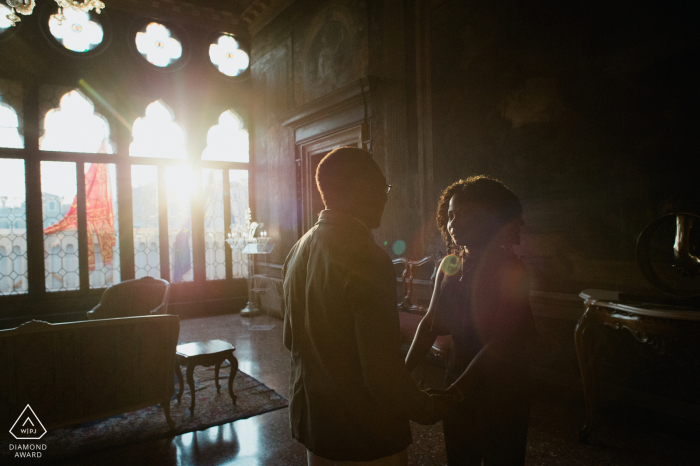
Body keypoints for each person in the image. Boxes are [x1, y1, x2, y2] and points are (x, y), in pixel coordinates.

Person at [283, 146, 454, 466]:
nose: (385, 197)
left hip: (315, 427)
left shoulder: (297, 251)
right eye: (381, 187)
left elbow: (291, 341)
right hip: (364, 434)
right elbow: (380, 375)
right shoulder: (368, 257)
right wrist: (427, 409)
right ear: (358, 188)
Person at [405, 176, 538, 466]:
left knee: (500, 456)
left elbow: (500, 345)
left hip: (503, 386)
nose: (453, 222)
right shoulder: (449, 264)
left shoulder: (510, 268)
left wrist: (455, 393)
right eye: (450, 215)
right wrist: (402, 371)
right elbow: (430, 323)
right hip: (458, 375)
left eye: (464, 214)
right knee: (460, 457)